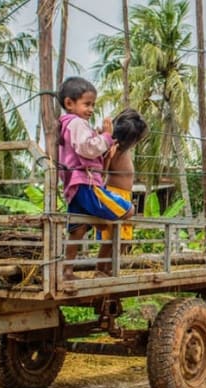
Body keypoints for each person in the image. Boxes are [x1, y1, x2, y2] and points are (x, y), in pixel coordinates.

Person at [56, 76, 135, 279]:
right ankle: (104, 267)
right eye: (87, 104)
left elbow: (81, 149)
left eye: (93, 105)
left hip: (74, 186)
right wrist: (106, 137)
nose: (91, 109)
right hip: (86, 184)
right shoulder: (77, 123)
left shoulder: (65, 125)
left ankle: (67, 270)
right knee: (128, 210)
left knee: (78, 229)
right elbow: (87, 148)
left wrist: (100, 142)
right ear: (69, 103)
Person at [96, 108, 148, 274]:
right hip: (114, 194)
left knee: (124, 238)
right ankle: (100, 268)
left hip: (125, 196)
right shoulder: (113, 148)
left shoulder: (125, 149)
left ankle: (110, 268)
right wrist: (108, 157)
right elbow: (102, 172)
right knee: (111, 238)